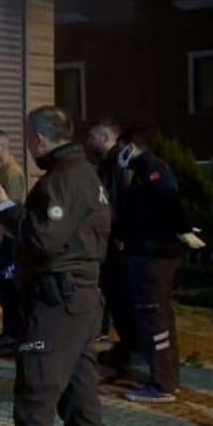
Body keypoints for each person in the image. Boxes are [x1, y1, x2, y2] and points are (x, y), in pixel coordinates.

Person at [0, 105, 110, 426]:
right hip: (82, 301)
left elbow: (40, 239)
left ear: (37, 137)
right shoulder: (87, 175)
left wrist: (4, 208)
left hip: (55, 305)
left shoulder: (62, 179)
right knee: (81, 398)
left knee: (35, 403)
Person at [109, 127, 206, 403]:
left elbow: (169, 199)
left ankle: (162, 384)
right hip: (150, 253)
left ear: (130, 147)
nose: (117, 154)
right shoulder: (144, 171)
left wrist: (183, 230)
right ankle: (166, 378)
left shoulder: (151, 168)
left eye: (120, 147)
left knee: (154, 318)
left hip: (153, 257)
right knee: (159, 317)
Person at [86, 120, 128, 350]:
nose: (89, 142)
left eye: (93, 137)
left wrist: (119, 233)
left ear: (105, 138)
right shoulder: (107, 164)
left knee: (118, 290)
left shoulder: (119, 163)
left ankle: (127, 342)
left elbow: (119, 200)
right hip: (109, 237)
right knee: (108, 288)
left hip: (115, 239)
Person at [0, 130, 26, 349]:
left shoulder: (13, 173)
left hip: (11, 241)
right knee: (4, 286)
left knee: (10, 287)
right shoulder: (3, 172)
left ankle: (14, 333)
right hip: (4, 238)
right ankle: (10, 331)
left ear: (2, 147)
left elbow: (12, 208)